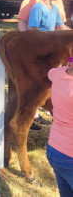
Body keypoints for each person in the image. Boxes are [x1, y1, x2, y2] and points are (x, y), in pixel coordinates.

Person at [17, 0, 70, 130]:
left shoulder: (53, 8)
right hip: (40, 53)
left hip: (51, 52)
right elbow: (33, 31)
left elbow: (61, 26)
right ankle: (28, 115)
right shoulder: (38, 8)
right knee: (39, 86)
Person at [46, 64, 73, 197]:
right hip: (70, 154)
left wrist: (67, 64)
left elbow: (50, 72)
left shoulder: (57, 73)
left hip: (54, 149)